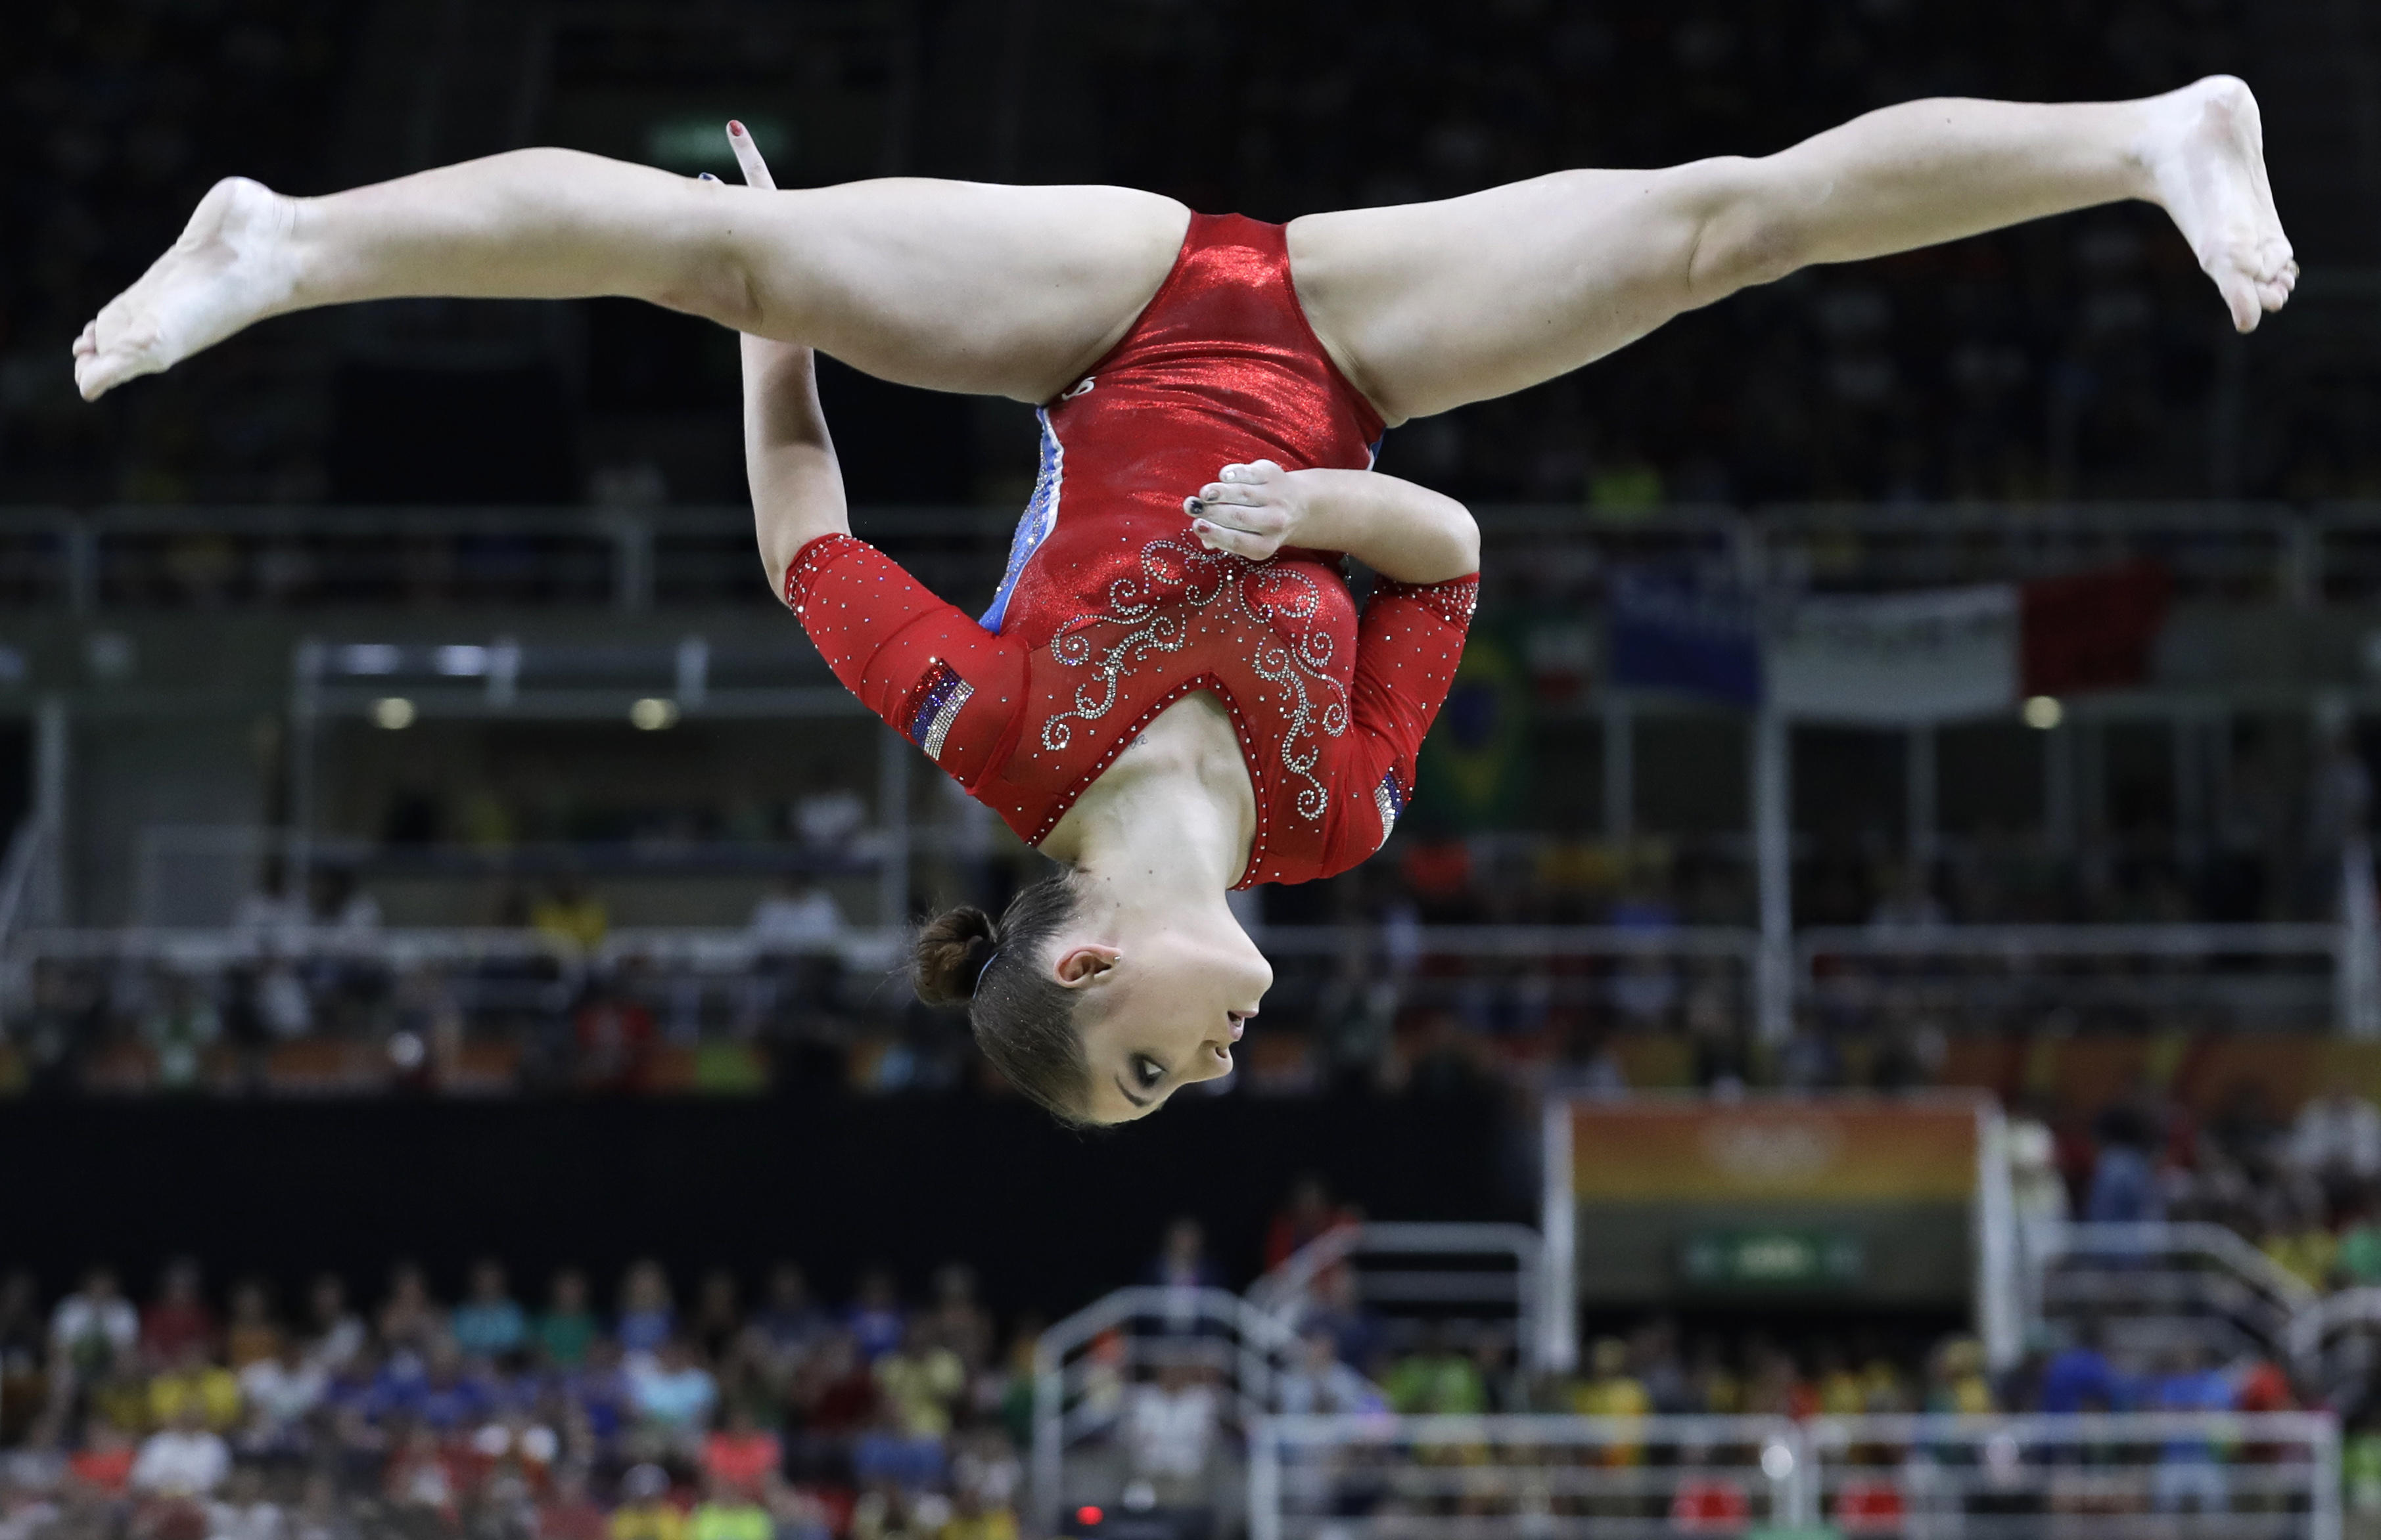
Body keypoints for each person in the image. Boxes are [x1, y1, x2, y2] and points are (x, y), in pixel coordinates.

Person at [80, 82, 2294, 1114]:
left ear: (1092, 953)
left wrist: (786, 307)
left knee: (723, 250)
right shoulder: (1341, 821)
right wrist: (1325, 511)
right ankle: (2146, 135)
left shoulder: (998, 740)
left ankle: (286, 235)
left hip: (1106, 306)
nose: (1212, 1072)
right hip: (1355, 342)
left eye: (1151, 1069)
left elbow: (795, 540)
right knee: (1730, 224)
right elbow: (1455, 561)